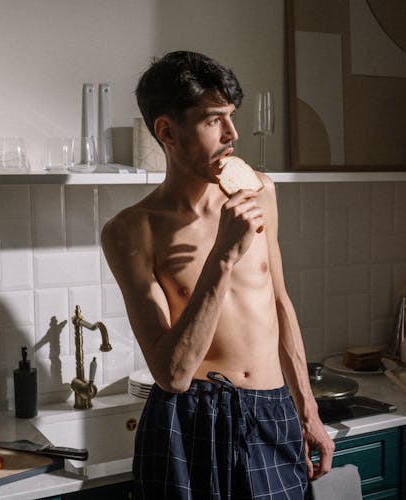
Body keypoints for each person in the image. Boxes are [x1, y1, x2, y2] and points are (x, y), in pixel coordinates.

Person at [101, 51, 334, 499]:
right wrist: (223, 257)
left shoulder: (259, 192)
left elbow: (280, 302)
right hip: (187, 421)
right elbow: (172, 374)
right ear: (167, 131)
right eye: (213, 121)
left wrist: (308, 410)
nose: (232, 135)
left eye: (231, 116)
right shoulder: (132, 231)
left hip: (271, 410)